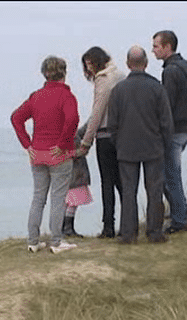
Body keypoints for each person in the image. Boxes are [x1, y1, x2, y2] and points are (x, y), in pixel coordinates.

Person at [11, 55, 79, 254]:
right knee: (58, 198)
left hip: (37, 153)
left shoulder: (36, 96)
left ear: (44, 74)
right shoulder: (67, 96)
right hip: (58, 154)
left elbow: (16, 118)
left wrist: (27, 144)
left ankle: (33, 241)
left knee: (38, 197)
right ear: (64, 73)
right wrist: (64, 143)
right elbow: (73, 119)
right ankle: (56, 242)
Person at [108, 45, 173, 244]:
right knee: (154, 190)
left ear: (128, 64)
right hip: (153, 147)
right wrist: (165, 143)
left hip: (126, 148)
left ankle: (128, 234)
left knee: (128, 192)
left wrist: (118, 143)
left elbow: (112, 124)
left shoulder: (118, 90)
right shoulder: (157, 88)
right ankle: (154, 233)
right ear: (146, 63)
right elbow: (166, 122)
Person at [76, 46, 126, 238]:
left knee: (108, 183)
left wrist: (85, 142)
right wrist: (82, 131)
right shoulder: (120, 75)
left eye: (88, 65)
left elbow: (98, 112)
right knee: (123, 183)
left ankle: (108, 227)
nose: (87, 70)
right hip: (121, 135)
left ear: (94, 62)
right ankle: (129, 222)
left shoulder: (103, 79)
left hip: (105, 136)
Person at [152, 30, 187, 234]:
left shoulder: (170, 71)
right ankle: (181, 211)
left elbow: (168, 107)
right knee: (171, 174)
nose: (153, 50)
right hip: (185, 129)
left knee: (170, 176)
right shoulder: (184, 66)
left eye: (156, 46)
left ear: (167, 47)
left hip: (175, 131)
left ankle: (180, 220)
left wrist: (160, 131)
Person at [62, 124, 93, 238]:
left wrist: (91, 121)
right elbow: (78, 146)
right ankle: (68, 228)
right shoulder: (69, 135)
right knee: (72, 203)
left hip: (69, 175)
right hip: (76, 174)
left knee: (68, 202)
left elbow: (81, 132)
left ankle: (64, 227)